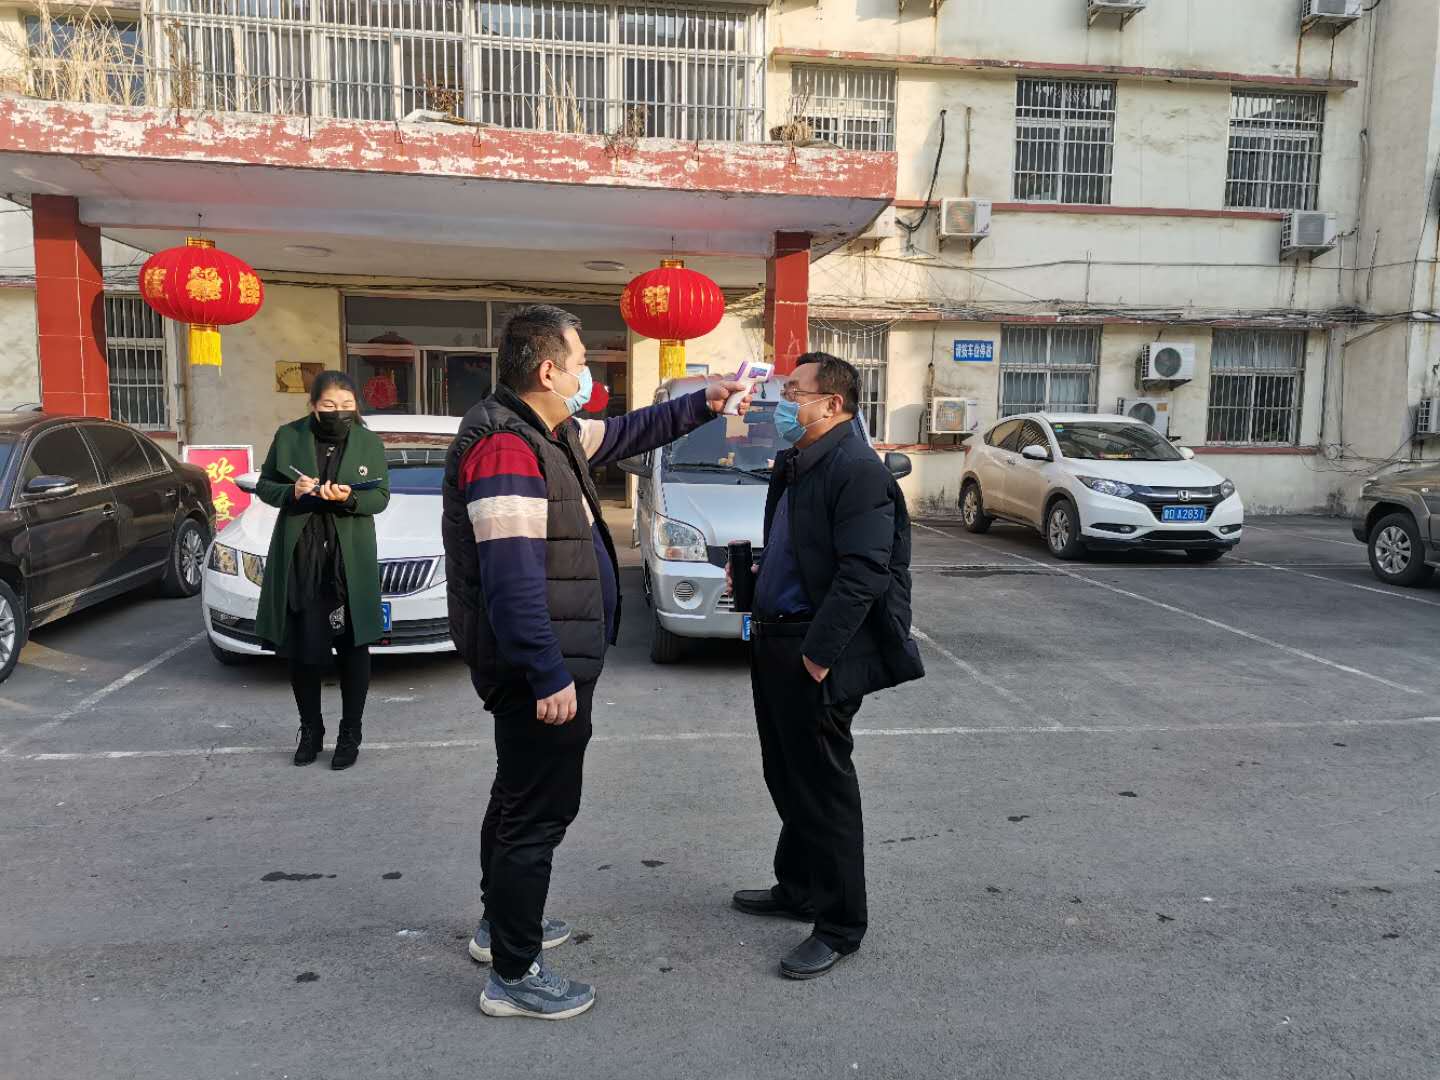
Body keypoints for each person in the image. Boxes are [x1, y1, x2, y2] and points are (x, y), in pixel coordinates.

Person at [441, 304, 751, 1021]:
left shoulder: (545, 431)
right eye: (581, 364)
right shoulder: (507, 446)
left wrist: (703, 403)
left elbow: (627, 433)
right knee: (537, 813)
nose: (588, 376)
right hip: (540, 668)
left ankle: (499, 926)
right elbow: (512, 579)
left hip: (548, 657)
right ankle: (513, 973)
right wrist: (546, 672)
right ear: (549, 370)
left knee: (516, 795)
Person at [730, 352, 925, 980]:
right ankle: (799, 888)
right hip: (775, 638)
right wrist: (758, 576)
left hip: (812, 650)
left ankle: (840, 925)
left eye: (795, 392)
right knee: (787, 775)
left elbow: (864, 572)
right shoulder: (798, 462)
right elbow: (803, 549)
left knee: (823, 788)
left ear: (831, 404)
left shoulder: (856, 471)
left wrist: (818, 656)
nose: (783, 402)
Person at [255, 371, 391, 771]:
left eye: (347, 406)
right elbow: (265, 485)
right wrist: (292, 492)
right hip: (303, 555)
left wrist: (350, 499)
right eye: (330, 405)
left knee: (353, 647)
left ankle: (351, 733)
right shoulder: (289, 436)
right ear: (313, 405)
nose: (338, 412)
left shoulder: (368, 442)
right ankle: (311, 730)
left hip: (349, 559)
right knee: (304, 650)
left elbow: (381, 496)